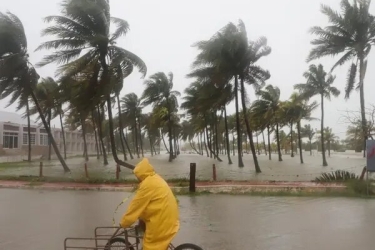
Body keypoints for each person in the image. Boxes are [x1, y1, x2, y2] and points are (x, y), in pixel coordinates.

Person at [120, 158, 180, 250]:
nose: (137, 178)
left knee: (150, 246)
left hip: (161, 222)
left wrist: (124, 222)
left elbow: (136, 206)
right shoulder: (156, 178)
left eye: (137, 176)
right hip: (170, 217)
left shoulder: (147, 185)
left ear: (141, 174)